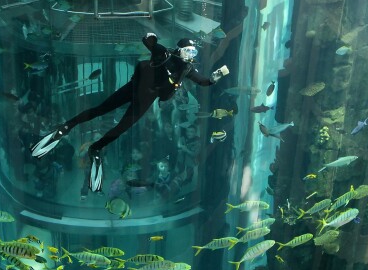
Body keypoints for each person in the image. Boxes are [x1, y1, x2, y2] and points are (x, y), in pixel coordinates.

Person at [31, 33, 228, 192]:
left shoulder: (187, 69)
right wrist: (150, 38)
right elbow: (149, 42)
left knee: (120, 128)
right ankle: (68, 125)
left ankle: (96, 148)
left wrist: (215, 77)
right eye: (188, 51)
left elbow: (203, 82)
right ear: (179, 49)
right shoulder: (165, 55)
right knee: (101, 109)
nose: (191, 55)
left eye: (193, 51)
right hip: (133, 89)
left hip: (144, 99)